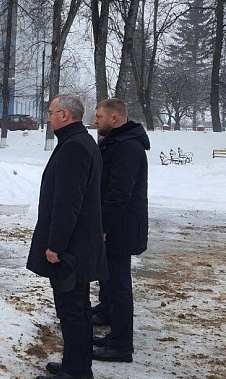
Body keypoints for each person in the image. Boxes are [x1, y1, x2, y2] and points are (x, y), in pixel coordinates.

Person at [27, 94, 108, 379]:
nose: (48, 117)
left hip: (71, 247)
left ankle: (76, 371)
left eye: (51, 112)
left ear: (65, 115)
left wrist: (55, 245)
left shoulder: (75, 146)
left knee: (72, 309)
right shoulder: (80, 142)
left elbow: (68, 202)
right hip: (80, 243)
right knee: (78, 307)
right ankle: (77, 363)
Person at [90, 98, 150, 363]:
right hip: (115, 227)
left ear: (114, 119)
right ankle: (111, 324)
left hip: (120, 229)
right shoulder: (116, 143)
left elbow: (118, 194)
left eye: (99, 116)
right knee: (110, 282)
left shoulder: (128, 148)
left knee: (119, 285)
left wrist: (103, 227)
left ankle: (121, 345)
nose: (95, 121)